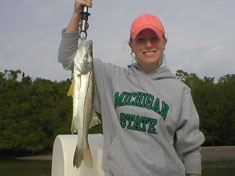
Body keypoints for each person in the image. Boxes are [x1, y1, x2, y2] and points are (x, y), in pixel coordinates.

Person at [58, 0, 205, 175]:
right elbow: (68, 58)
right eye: (141, 40)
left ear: (164, 43)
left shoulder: (180, 91)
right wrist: (77, 14)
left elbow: (191, 149)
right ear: (131, 45)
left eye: (154, 38)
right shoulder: (111, 77)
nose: (148, 45)